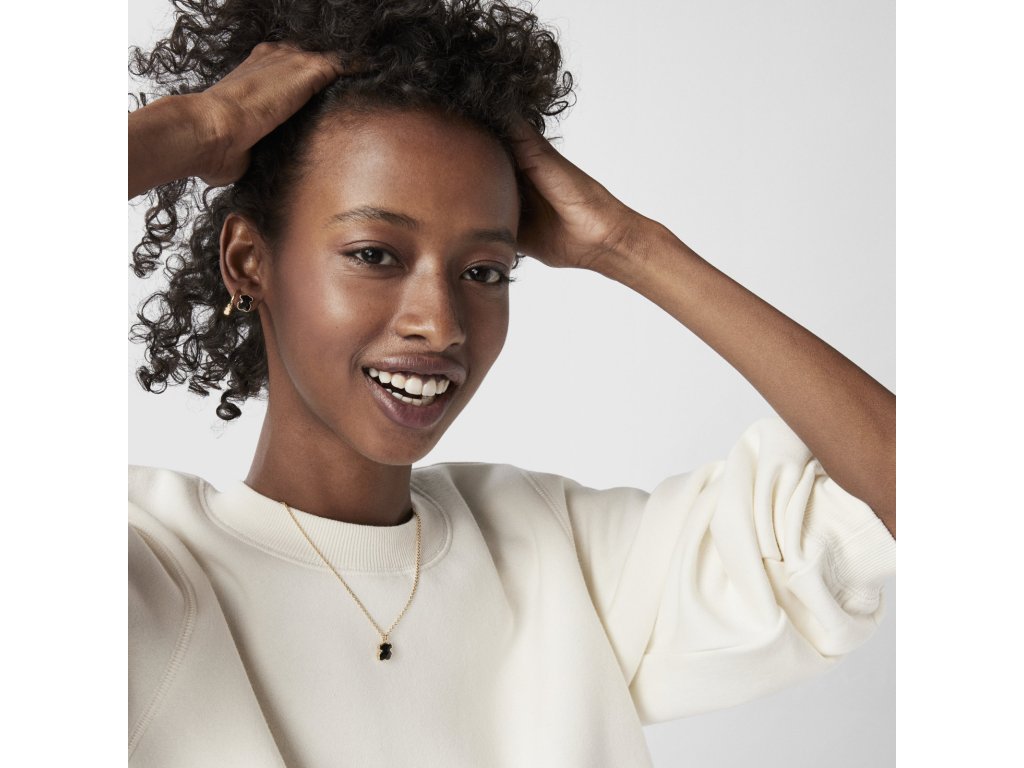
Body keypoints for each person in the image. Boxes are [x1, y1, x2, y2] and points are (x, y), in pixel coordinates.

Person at [127, 1, 896, 766]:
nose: (441, 323)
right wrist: (197, 128)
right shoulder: (148, 565)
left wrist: (629, 245)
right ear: (247, 262)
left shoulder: (555, 556)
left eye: (485, 271)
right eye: (375, 255)